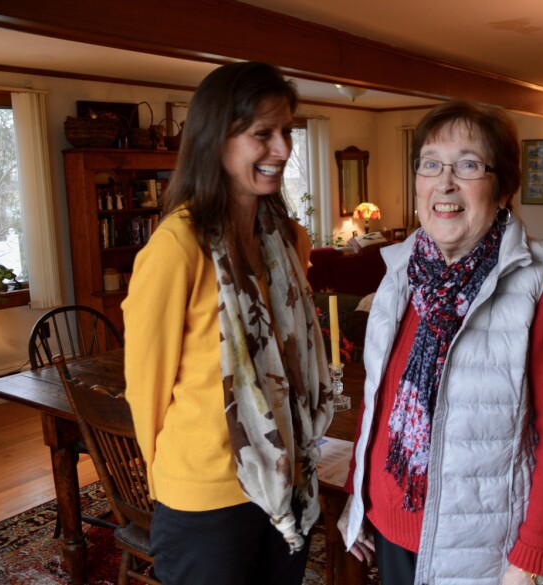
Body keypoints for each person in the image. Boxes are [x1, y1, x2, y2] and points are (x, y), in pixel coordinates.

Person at [338, 101, 543, 585]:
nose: (445, 182)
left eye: (468, 165)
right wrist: (359, 496)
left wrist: (534, 551)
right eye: (430, 164)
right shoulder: (401, 269)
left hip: (480, 548)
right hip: (391, 524)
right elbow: (380, 402)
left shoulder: (542, 280)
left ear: (503, 188)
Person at [123, 61, 333, 584]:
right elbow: (145, 389)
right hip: (205, 498)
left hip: (287, 482)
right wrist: (175, 478)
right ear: (215, 139)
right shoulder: (176, 247)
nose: (283, 149)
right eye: (263, 134)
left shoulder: (289, 240)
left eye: (286, 131)